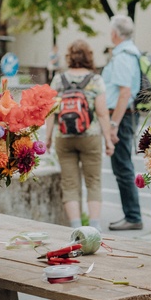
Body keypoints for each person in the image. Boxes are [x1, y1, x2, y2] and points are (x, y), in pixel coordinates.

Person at [45, 39, 116, 229]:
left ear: (70, 57)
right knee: (93, 181)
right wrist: (108, 140)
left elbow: (51, 111)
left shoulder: (59, 79)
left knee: (69, 184)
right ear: (89, 57)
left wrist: (48, 138)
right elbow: (102, 113)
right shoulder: (95, 80)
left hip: (64, 137)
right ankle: (94, 229)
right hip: (90, 137)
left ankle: (76, 228)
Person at [102, 15, 145, 231]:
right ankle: (132, 214)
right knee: (122, 165)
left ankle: (133, 216)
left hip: (122, 116)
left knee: (122, 166)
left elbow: (124, 92)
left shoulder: (122, 57)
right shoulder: (130, 53)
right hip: (126, 115)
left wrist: (113, 124)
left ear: (115, 33)